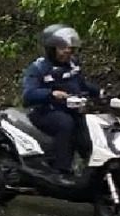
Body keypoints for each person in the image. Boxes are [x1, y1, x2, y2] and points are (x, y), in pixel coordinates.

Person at [21, 24, 101, 179]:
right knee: (65, 123)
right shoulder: (38, 68)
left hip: (70, 109)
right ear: (51, 49)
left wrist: (101, 93)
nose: (68, 51)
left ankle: (93, 170)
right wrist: (51, 94)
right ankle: (61, 170)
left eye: (70, 48)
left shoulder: (72, 65)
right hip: (44, 112)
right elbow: (28, 95)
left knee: (89, 127)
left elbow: (81, 84)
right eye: (63, 48)